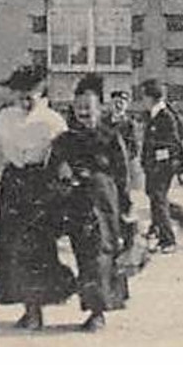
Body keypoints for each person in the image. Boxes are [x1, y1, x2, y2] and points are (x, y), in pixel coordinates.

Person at [0, 64, 74, 330]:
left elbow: (65, 158)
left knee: (38, 249)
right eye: (19, 95)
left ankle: (37, 307)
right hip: (13, 188)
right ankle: (28, 306)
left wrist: (69, 187)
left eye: (29, 94)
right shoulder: (5, 118)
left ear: (40, 91)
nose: (24, 100)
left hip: (42, 187)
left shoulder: (53, 120)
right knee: (13, 249)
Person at [49, 74, 132, 332]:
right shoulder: (65, 140)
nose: (84, 112)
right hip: (77, 204)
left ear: (100, 108)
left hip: (105, 205)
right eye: (80, 107)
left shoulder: (110, 137)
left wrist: (126, 207)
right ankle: (93, 307)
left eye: (90, 107)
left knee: (102, 256)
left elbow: (122, 175)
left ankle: (99, 312)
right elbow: (55, 169)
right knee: (84, 256)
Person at [139, 79, 183, 254]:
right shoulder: (152, 114)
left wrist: (174, 167)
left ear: (152, 97)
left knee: (158, 200)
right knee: (155, 199)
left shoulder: (165, 116)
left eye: (144, 96)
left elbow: (174, 144)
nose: (142, 99)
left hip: (162, 167)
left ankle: (168, 240)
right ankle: (161, 233)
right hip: (152, 166)